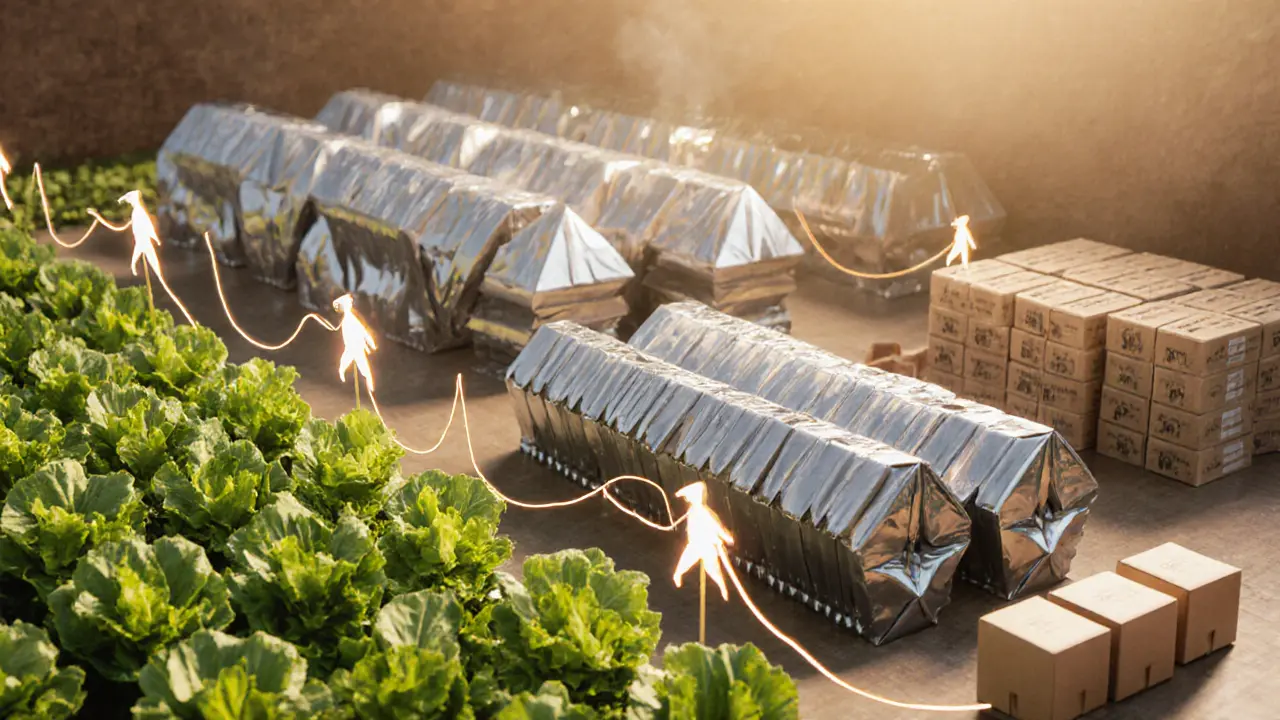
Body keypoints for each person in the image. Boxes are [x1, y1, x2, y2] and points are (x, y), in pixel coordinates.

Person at [672, 482, 733, 601]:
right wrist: (681, 493)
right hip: (695, 543)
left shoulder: (706, 513)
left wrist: (726, 537)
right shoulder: (693, 509)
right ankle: (677, 575)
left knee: (712, 569)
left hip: (707, 546)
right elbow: (697, 487)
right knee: (685, 562)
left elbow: (718, 528)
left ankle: (722, 587)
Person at [333, 294, 377, 393]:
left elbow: (363, 332)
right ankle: (342, 372)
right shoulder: (347, 320)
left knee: (363, 367)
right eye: (349, 303)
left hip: (357, 347)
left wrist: (371, 342)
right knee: (346, 361)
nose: (351, 304)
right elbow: (363, 332)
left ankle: (369, 384)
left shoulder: (352, 318)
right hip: (352, 347)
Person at [119, 190, 161, 277]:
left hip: (143, 238)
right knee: (140, 254)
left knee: (150, 256)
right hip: (140, 238)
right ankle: (134, 267)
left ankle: (159, 276)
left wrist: (155, 238)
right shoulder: (136, 211)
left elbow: (148, 225)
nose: (130, 203)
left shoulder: (139, 211)